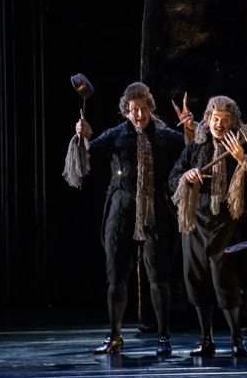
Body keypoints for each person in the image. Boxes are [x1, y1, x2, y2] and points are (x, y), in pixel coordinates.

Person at [66, 82, 192, 356]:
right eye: (134, 109)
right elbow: (88, 155)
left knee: (158, 276)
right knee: (116, 277)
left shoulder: (165, 137)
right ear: (126, 111)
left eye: (144, 108)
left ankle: (164, 337)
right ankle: (115, 336)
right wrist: (82, 136)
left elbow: (191, 153)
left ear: (150, 108)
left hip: (155, 212)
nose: (139, 114)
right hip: (121, 210)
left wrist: (191, 131)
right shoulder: (116, 135)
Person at [169, 95, 247, 357]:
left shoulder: (240, 146)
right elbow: (173, 178)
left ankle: (237, 339)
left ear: (233, 122)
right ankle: (206, 340)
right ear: (208, 119)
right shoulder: (196, 146)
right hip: (195, 224)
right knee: (197, 280)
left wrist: (243, 160)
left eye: (225, 120)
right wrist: (186, 176)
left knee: (226, 282)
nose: (219, 124)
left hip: (227, 224)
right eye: (215, 119)